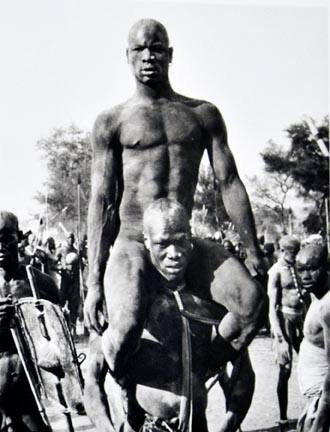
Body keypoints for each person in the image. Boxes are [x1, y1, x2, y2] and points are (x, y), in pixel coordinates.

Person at [85, 18, 266, 389]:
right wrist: (93, 281)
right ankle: (113, 367)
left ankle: (197, 368)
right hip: (134, 241)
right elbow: (101, 201)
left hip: (183, 240)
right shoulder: (112, 121)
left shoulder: (202, 114)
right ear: (127, 56)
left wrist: (254, 249)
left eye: (156, 48)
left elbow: (228, 182)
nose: (148, 56)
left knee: (251, 302)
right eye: (139, 49)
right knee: (126, 326)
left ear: (170, 54)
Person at [84, 199, 256, 431]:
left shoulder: (211, 306)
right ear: (146, 242)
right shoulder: (129, 307)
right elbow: (93, 381)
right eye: (162, 244)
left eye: (181, 242)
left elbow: (243, 373)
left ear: (191, 238)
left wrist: (229, 424)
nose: (174, 253)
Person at [0, 210, 60, 431]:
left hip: (27, 394)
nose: (0, 246)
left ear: (20, 236)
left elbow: (60, 341)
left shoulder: (42, 283)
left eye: (6, 238)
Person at [267, 235, 310, 427]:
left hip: (301, 318)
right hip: (285, 320)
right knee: (285, 370)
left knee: (311, 362)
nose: (295, 255)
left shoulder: (298, 267)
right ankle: (283, 416)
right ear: (283, 251)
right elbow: (271, 306)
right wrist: (279, 336)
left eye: (297, 251)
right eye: (292, 252)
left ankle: (314, 407)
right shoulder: (275, 271)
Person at [295, 244, 330, 432]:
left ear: (327, 266)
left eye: (313, 268)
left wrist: (321, 417)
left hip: (322, 400)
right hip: (314, 398)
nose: (306, 276)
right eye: (301, 270)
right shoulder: (316, 295)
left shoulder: (328, 306)